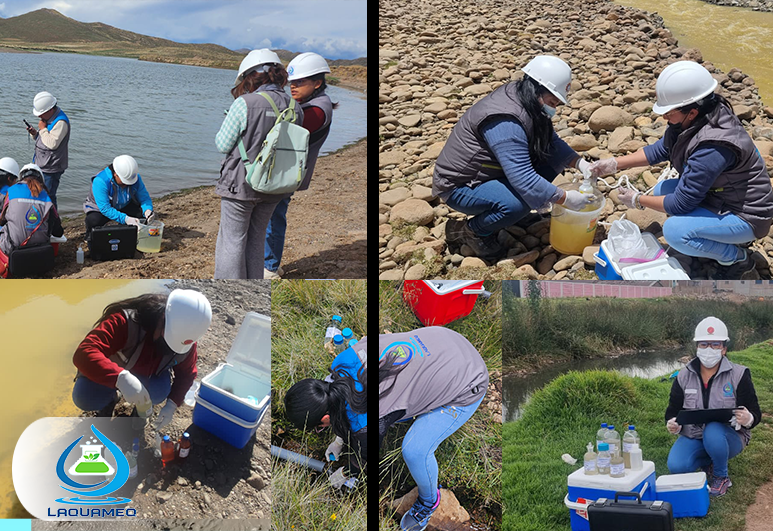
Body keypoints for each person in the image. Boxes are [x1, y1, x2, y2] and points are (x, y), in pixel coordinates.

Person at [588, 61, 773, 280]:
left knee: (675, 232)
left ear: (692, 111)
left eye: (668, 111)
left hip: (747, 215)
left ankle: (737, 257)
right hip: (724, 198)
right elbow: (661, 150)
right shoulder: (697, 116)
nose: (664, 116)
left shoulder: (713, 146)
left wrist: (638, 200)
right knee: (664, 189)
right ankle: (714, 240)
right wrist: (615, 163)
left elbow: (681, 203)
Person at [431, 55, 595, 260]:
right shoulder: (506, 120)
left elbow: (551, 141)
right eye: (553, 102)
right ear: (537, 89)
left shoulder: (526, 98)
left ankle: (512, 212)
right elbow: (523, 177)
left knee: (552, 160)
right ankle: (470, 231)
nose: (554, 108)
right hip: (460, 184)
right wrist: (566, 198)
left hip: (491, 170)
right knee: (516, 205)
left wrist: (580, 163)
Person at [379, 327, 489, 531]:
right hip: (446, 343)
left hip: (467, 383)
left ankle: (430, 500)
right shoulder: (359, 355)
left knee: (415, 449)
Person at [214, 49, 303, 279]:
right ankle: (254, 285)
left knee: (231, 241)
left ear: (251, 76)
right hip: (275, 186)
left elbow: (223, 144)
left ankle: (229, 287)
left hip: (240, 185)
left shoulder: (245, 103)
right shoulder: (295, 107)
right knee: (256, 240)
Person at [71, 290, 212, 429]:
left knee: (158, 392)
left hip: (149, 377)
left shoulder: (185, 340)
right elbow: (84, 352)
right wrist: (120, 378)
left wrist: (172, 404)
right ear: (162, 318)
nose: (169, 347)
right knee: (84, 396)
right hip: (117, 371)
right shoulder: (126, 322)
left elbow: (187, 374)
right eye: (167, 338)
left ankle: (140, 412)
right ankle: (111, 399)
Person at [665, 316, 761, 497]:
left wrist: (749, 418)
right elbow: (672, 410)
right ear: (697, 347)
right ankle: (710, 461)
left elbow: (755, 412)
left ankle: (721, 476)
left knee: (713, 430)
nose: (709, 349)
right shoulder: (683, 375)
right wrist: (672, 423)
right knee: (677, 466)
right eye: (703, 344)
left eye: (715, 344)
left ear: (724, 349)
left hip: (728, 437)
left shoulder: (739, 374)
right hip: (693, 435)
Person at [263, 52, 337, 279]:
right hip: (287, 170)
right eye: (291, 82)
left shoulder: (316, 109)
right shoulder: (309, 103)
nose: (293, 87)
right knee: (272, 216)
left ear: (317, 83)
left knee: (273, 217)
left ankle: (271, 267)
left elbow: (284, 130)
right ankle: (270, 263)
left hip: (287, 173)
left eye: (300, 82)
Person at [284, 335, 367, 484]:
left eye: (319, 428)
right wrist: (339, 441)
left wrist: (345, 472)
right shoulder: (338, 364)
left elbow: (367, 456)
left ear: (325, 418)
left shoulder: (362, 423)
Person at [0, 164, 63, 278]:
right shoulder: (47, 198)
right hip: (40, 250)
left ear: (21, 177)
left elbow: (2, 221)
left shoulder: (11, 191)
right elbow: (58, 232)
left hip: (12, 249)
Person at [83, 155, 155, 243]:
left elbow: (144, 197)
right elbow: (105, 208)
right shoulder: (100, 181)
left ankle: (127, 232)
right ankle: (89, 235)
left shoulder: (134, 177)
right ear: (115, 174)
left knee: (140, 214)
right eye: (124, 181)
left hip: (124, 204)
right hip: (100, 209)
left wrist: (147, 210)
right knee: (93, 220)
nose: (126, 184)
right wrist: (126, 219)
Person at [26, 91, 70, 210]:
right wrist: (36, 134)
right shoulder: (49, 119)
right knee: (40, 194)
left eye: (41, 113)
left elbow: (52, 144)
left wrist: (42, 129)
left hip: (51, 167)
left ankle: (52, 222)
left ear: (50, 109)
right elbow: (45, 139)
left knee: (48, 196)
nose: (40, 117)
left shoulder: (60, 122)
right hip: (43, 164)